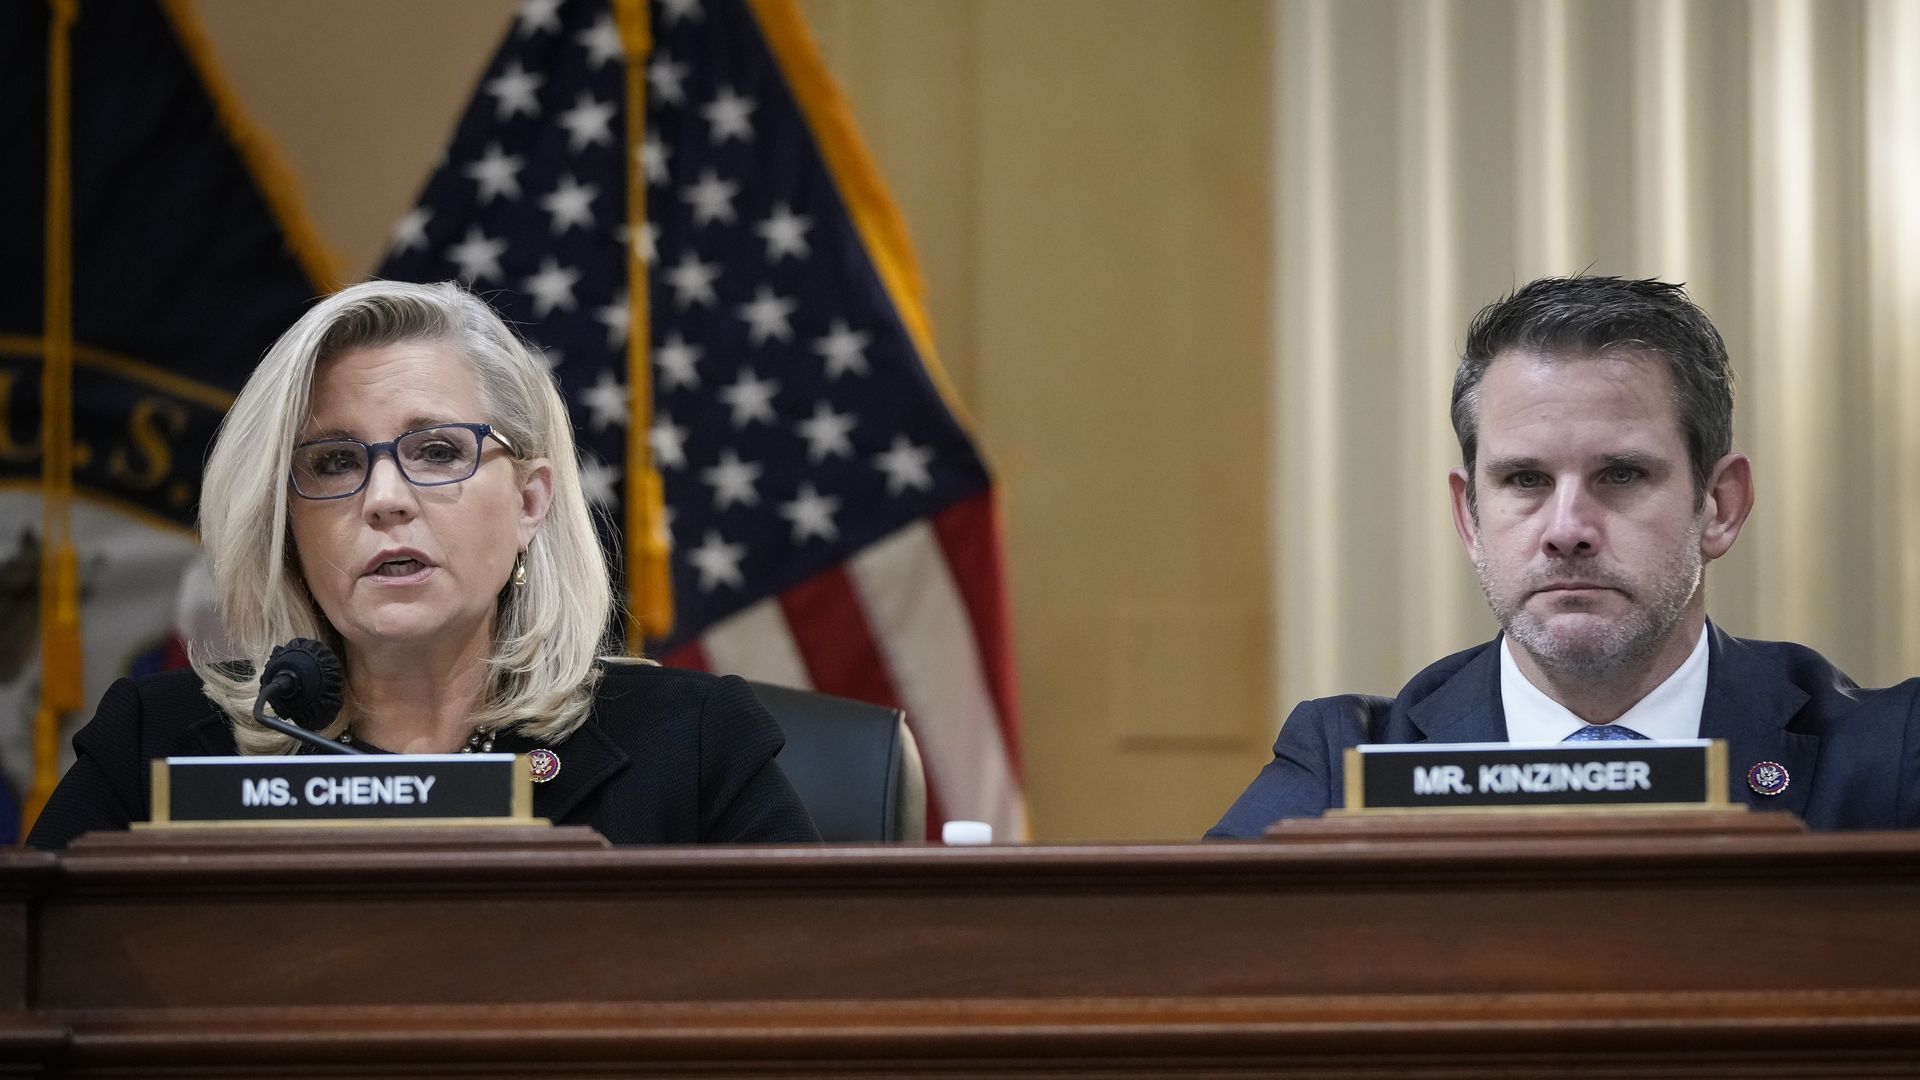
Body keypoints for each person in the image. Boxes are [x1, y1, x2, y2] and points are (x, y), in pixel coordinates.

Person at [28, 280, 819, 849]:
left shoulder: (691, 749)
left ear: (530, 501)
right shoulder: (159, 747)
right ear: (286, 521)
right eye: (335, 462)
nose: (383, 498)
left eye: (437, 450)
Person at [1212, 276, 1920, 836]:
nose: (1568, 528)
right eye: (1526, 480)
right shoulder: (1348, 766)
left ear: (1721, 505)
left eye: (1620, 475)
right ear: (1470, 515)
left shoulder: (1888, 757)